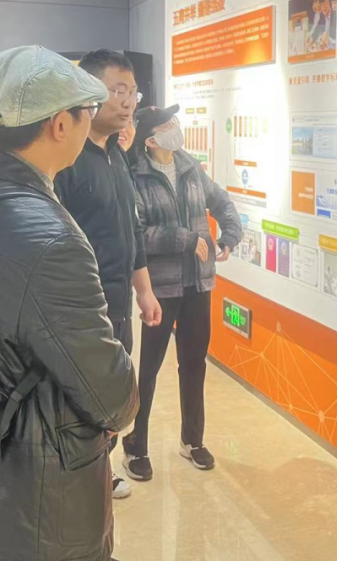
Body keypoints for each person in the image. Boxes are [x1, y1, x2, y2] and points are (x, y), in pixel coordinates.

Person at [0, 45, 138, 561]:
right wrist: (125, 404)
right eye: (85, 111)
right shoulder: (50, 238)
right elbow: (108, 392)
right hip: (40, 492)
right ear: (59, 125)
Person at [54, 49, 162, 500]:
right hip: (79, 311)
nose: (128, 101)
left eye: (132, 91)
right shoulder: (66, 159)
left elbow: (130, 229)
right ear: (89, 92)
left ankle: (100, 471)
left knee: (112, 395)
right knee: (79, 400)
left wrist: (145, 291)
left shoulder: (117, 156)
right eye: (117, 90)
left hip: (118, 306)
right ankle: (75, 482)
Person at [122, 105, 242, 480]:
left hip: (198, 284)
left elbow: (221, 201)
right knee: (147, 371)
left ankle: (192, 440)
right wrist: (182, 238)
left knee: (193, 364)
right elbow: (136, 234)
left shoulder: (190, 167)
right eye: (167, 126)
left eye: (175, 122)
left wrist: (230, 234)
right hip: (161, 287)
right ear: (151, 140)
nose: (176, 128)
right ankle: (135, 446)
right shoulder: (136, 177)